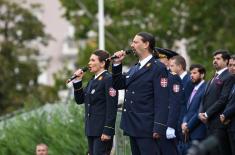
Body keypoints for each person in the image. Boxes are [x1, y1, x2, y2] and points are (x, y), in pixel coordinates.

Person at [112, 32, 169, 155]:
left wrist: (158, 126)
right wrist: (117, 64)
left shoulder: (157, 68)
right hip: (133, 124)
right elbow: (118, 84)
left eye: (135, 42)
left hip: (147, 126)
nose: (132, 45)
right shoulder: (134, 68)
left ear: (146, 44)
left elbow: (162, 100)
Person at [73, 50, 118, 155]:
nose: (89, 63)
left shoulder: (108, 79)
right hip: (91, 129)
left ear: (102, 63)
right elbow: (80, 100)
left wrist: (108, 130)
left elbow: (112, 106)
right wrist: (77, 81)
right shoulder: (92, 81)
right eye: (89, 60)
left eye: (93, 60)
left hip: (102, 131)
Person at [199, 50, 233, 155]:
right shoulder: (213, 77)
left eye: (218, 59)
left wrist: (207, 113)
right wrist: (201, 112)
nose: (215, 61)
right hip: (209, 123)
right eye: (214, 59)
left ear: (226, 61)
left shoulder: (229, 76)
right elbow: (205, 98)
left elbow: (223, 99)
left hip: (219, 123)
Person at [154, 47, 183, 155]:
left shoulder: (172, 77)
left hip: (166, 124)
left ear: (168, 61)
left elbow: (174, 103)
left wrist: (170, 126)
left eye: (160, 58)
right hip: (155, 123)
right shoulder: (155, 75)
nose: (157, 61)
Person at [170, 55, 194, 155]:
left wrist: (185, 121)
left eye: (172, 66)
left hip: (184, 122)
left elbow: (189, 104)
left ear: (179, 66)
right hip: (175, 121)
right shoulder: (175, 79)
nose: (169, 68)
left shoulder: (188, 81)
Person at [181, 64, 207, 150]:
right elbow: (188, 110)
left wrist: (188, 126)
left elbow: (200, 111)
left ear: (202, 74)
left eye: (195, 73)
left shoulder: (205, 88)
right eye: (191, 73)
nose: (191, 75)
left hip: (199, 133)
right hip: (189, 133)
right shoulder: (194, 89)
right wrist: (184, 122)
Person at [220, 55, 235, 155]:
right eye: (230, 65)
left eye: (234, 65)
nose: (232, 68)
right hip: (230, 126)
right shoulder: (232, 82)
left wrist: (225, 114)